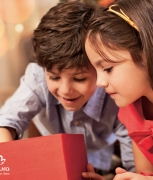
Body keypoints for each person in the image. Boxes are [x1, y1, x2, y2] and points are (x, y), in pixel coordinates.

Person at [0, 1, 135, 174]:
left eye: (79, 79)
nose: (65, 90)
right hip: (53, 160)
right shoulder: (38, 77)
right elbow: (8, 120)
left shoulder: (115, 91)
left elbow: (133, 164)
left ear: (100, 68)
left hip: (105, 157)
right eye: (54, 77)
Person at [82, 0, 153, 179]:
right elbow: (147, 175)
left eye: (108, 68)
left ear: (150, 53)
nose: (100, 82)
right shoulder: (132, 113)